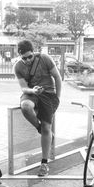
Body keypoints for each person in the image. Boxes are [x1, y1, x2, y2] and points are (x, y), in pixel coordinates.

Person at [13, 40, 62, 176]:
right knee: (25, 106)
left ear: (33, 53)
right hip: (31, 93)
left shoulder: (45, 58)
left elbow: (57, 77)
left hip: (48, 94)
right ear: (19, 56)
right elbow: (23, 87)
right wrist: (33, 91)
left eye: (30, 57)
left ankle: (44, 164)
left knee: (47, 127)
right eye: (24, 58)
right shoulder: (17, 67)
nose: (28, 60)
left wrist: (57, 97)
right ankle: (41, 130)